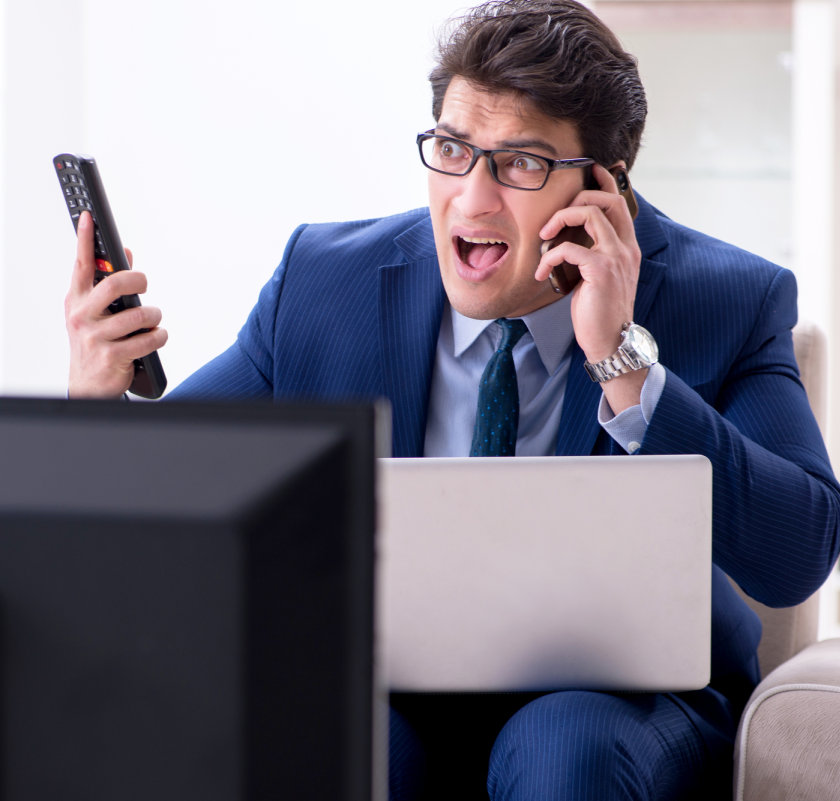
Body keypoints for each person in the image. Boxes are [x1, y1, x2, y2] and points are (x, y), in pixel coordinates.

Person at [63, 1, 840, 798]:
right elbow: (177, 492)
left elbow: (794, 556)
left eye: (521, 164)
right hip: (385, 689)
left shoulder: (727, 297)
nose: (471, 200)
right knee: (325, 732)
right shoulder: (324, 281)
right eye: (453, 149)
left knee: (562, 747)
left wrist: (621, 358)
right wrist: (94, 406)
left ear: (605, 191)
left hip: (620, 707)